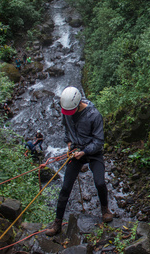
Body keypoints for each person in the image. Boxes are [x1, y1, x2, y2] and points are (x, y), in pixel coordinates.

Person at [45, 86, 113, 236]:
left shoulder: (94, 115)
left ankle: (105, 209)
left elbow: (99, 141)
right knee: (65, 187)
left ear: (78, 103)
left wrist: (84, 152)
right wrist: (69, 144)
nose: (68, 114)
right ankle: (57, 223)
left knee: (100, 182)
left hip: (93, 152)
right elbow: (67, 130)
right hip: (75, 150)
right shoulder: (67, 110)